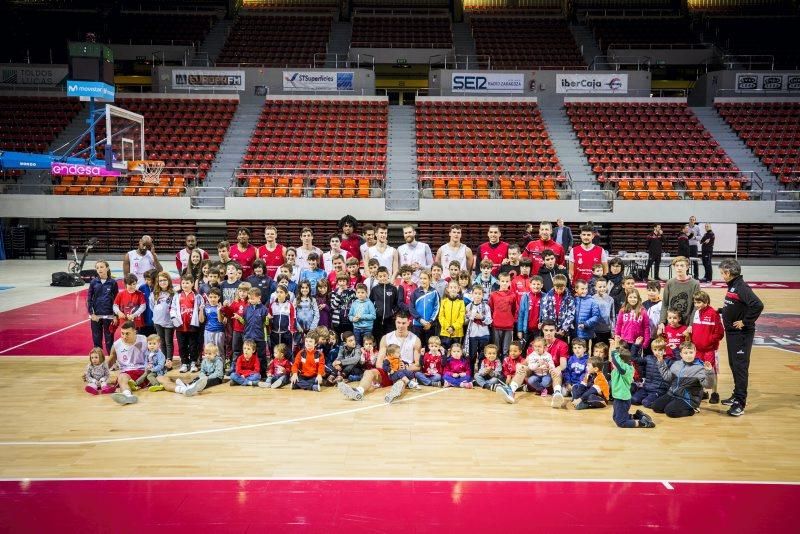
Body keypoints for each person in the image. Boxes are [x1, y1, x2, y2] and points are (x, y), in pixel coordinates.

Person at [336, 312, 422, 403]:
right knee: (369, 372)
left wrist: (407, 367)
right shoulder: (386, 338)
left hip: (403, 372)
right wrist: (390, 368)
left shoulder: (415, 340)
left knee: (401, 381)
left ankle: (393, 394)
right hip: (388, 371)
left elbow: (418, 366)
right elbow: (379, 363)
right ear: (395, 322)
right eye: (398, 322)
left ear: (409, 322)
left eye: (403, 323)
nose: (400, 326)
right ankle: (358, 391)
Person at [718, 258, 764, 417]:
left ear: (728, 272)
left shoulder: (741, 287)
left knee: (740, 367)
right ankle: (736, 394)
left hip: (741, 335)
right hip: (732, 334)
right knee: (733, 364)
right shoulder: (733, 286)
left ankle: (740, 403)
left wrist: (745, 322)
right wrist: (722, 310)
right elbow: (735, 305)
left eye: (722, 273)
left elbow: (757, 305)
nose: (722, 276)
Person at [653, 341, 714, 418]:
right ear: (681, 354)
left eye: (691, 352)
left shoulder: (700, 367)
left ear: (695, 352)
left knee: (670, 411)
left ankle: (693, 409)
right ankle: (674, 404)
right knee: (656, 407)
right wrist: (661, 362)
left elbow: (709, 385)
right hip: (673, 394)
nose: (689, 355)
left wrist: (709, 372)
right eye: (685, 353)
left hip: (688, 399)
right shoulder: (676, 364)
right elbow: (667, 378)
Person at [690, 290, 725, 404]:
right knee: (700, 371)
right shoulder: (696, 312)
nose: (696, 305)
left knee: (711, 371)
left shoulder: (713, 313)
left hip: (709, 350)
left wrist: (709, 341)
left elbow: (719, 333)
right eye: (695, 303)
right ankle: (703, 391)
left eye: (699, 302)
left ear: (706, 301)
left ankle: (714, 393)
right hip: (698, 349)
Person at [610, 342, 655, 427]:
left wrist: (614, 352)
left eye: (615, 361)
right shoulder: (620, 369)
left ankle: (642, 423)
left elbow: (617, 361)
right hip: (618, 397)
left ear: (622, 362)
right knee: (616, 417)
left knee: (621, 422)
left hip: (622, 398)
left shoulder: (626, 369)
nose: (613, 363)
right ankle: (636, 416)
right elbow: (617, 362)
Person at [108, 322, 148, 405]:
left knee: (121, 378)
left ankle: (127, 394)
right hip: (126, 372)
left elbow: (155, 354)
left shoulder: (144, 340)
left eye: (127, 334)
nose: (124, 336)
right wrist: (97, 371)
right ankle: (128, 396)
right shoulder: (117, 344)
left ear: (135, 332)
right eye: (122, 333)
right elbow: (110, 360)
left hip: (142, 371)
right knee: (122, 377)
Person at [659, 256, 700, 331]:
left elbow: (696, 307)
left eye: (682, 265)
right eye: (677, 265)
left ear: (687, 267)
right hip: (671, 324)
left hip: (687, 325)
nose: (679, 268)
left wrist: (691, 324)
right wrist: (662, 321)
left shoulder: (695, 284)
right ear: (674, 267)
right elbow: (665, 304)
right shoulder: (669, 283)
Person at [87, 260, 118, 354]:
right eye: (97, 268)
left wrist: (115, 315)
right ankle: (98, 361)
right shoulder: (93, 282)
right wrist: (91, 314)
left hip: (108, 316)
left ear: (107, 268)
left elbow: (116, 300)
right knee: (96, 340)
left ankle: (111, 362)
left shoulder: (112, 283)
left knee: (109, 340)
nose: (99, 269)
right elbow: (89, 299)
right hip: (96, 317)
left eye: (101, 267)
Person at [631, 337, 671, 408]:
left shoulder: (668, 361)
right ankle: (649, 398)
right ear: (652, 350)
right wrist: (636, 345)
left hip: (658, 391)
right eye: (655, 349)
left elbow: (679, 363)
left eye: (660, 350)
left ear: (664, 350)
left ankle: (664, 401)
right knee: (634, 400)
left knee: (646, 402)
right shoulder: (648, 358)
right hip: (646, 388)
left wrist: (675, 350)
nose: (657, 352)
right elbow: (634, 358)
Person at [174, 275, 202, 373]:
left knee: (193, 345)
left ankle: (193, 362)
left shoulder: (197, 296)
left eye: (187, 283)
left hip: (192, 326)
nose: (185, 285)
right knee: (182, 346)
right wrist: (175, 321)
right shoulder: (177, 296)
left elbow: (201, 307)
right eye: (183, 283)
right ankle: (184, 363)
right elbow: (173, 309)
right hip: (180, 326)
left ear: (192, 284)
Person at [487, 272, 517, 357]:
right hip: (496, 325)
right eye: (503, 281)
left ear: (510, 282)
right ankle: (496, 368)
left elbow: (514, 309)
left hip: (508, 326)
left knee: (506, 350)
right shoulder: (493, 295)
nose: (505, 283)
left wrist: (510, 319)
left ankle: (505, 368)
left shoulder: (513, 295)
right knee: (496, 349)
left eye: (507, 281)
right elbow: (491, 309)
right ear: (499, 282)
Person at [149, 271, 176, 364]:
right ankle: (163, 360)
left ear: (169, 281)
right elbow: (152, 306)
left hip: (169, 322)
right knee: (162, 342)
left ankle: (169, 361)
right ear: (158, 282)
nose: (162, 282)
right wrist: (158, 314)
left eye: (165, 280)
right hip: (158, 321)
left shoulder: (173, 293)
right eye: (160, 281)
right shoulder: (154, 294)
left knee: (169, 342)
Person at [614, 290, 650, 360]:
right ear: (627, 298)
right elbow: (618, 325)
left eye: (635, 297)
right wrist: (617, 337)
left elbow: (646, 327)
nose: (632, 299)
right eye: (630, 297)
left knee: (635, 360)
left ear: (638, 299)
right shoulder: (622, 311)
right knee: (624, 360)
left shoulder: (643, 311)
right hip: (624, 341)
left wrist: (646, 342)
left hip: (637, 341)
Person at [409, 270, 440, 347]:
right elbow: (411, 308)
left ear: (430, 279)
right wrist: (420, 319)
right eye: (421, 278)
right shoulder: (415, 292)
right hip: (417, 325)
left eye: (425, 278)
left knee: (429, 347)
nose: (422, 280)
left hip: (430, 326)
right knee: (418, 347)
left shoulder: (434, 292)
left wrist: (430, 322)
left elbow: (437, 308)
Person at [465, 285, 492, 371]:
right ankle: (471, 374)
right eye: (475, 293)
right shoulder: (468, 306)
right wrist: (468, 317)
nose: (477, 296)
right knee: (472, 355)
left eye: (479, 294)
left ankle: (480, 373)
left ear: (482, 295)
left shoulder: (486, 307)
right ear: (471, 294)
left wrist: (481, 317)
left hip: (484, 334)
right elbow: (465, 321)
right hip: (473, 335)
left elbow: (489, 320)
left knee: (482, 355)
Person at [540, 274, 575, 339]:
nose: (559, 290)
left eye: (561, 288)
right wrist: (551, 328)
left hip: (563, 330)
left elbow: (571, 315)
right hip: (550, 329)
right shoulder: (547, 297)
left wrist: (563, 328)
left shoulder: (569, 298)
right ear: (553, 286)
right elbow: (544, 313)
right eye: (557, 288)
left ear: (565, 286)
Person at [370, 266, 400, 342]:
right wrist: (374, 312)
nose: (383, 278)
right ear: (377, 277)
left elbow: (397, 303)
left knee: (390, 338)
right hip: (377, 319)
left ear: (388, 275)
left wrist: (393, 312)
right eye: (380, 276)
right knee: (378, 338)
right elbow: (370, 302)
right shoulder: (374, 289)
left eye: (384, 276)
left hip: (390, 319)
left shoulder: (393, 288)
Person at [516, 275, 543, 350]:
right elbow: (521, 314)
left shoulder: (544, 297)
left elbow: (546, 314)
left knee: (537, 349)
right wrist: (520, 330)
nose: (536, 286)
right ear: (530, 285)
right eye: (534, 284)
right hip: (526, 329)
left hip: (538, 330)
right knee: (524, 349)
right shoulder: (525, 296)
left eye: (538, 284)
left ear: (542, 285)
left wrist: (543, 324)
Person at [268, 285, 296, 355]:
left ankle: (288, 364)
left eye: (281, 292)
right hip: (274, 333)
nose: (279, 294)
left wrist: (291, 330)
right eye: (277, 292)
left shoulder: (290, 305)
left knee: (287, 352)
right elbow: (269, 319)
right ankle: (274, 364)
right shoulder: (272, 305)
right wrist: (270, 330)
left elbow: (293, 318)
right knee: (275, 352)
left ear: (286, 294)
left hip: (286, 333)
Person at [438, 280, 465, 349]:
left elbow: (461, 317)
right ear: (447, 289)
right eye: (451, 287)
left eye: (455, 287)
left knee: (456, 351)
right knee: (445, 351)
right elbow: (441, 316)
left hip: (457, 333)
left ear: (458, 289)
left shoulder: (461, 303)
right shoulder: (443, 302)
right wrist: (447, 327)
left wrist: (453, 327)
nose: (453, 289)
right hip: (445, 332)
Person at [593, 277, 615, 346]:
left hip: (607, 330)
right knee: (596, 353)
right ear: (595, 287)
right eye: (600, 287)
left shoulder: (610, 299)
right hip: (596, 331)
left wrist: (613, 330)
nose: (602, 288)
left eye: (604, 286)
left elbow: (612, 316)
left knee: (605, 351)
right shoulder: (592, 299)